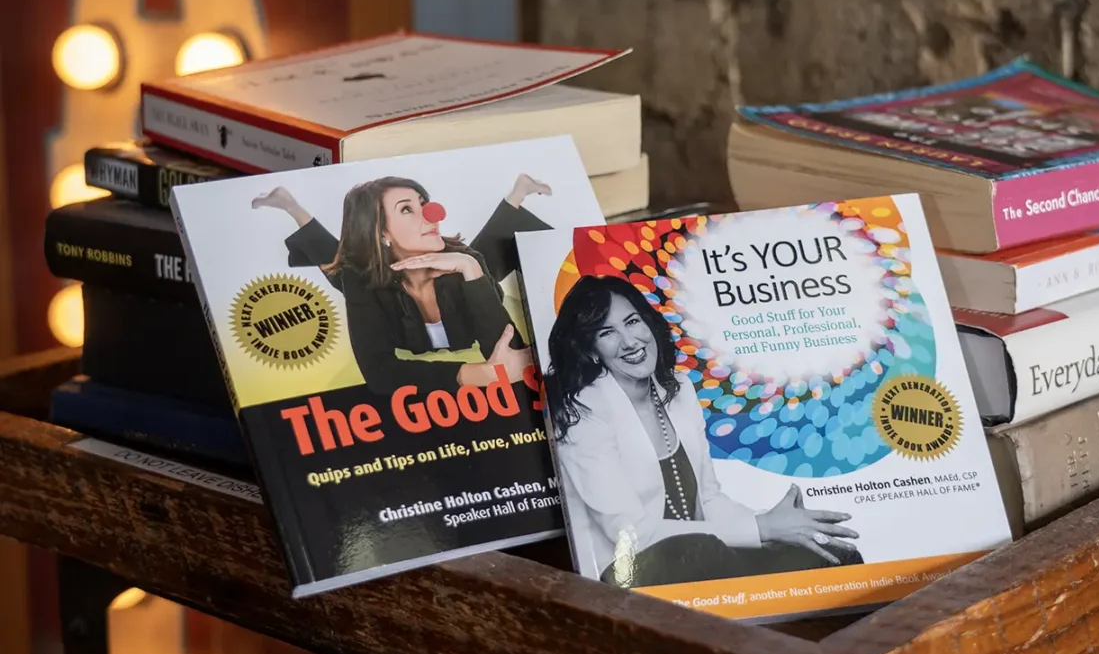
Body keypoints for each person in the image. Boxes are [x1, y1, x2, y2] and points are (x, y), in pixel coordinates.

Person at [546, 275, 861, 589]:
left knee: (830, 553)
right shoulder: (582, 411)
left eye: (632, 322)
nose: (629, 341)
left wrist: (779, 525)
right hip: (630, 571)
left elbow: (708, 499)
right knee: (701, 552)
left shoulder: (678, 388)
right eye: (607, 333)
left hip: (706, 556)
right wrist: (760, 529)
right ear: (590, 350)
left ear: (649, 323)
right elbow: (630, 533)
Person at [250, 173, 552, 396]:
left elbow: (509, 352)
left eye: (424, 204)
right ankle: (290, 205)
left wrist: (471, 270)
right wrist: (476, 374)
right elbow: (380, 374)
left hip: (456, 265)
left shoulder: (466, 263)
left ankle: (518, 192)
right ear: (382, 232)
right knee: (337, 266)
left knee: (480, 258)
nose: (432, 216)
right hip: (373, 270)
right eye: (407, 209)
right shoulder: (361, 280)